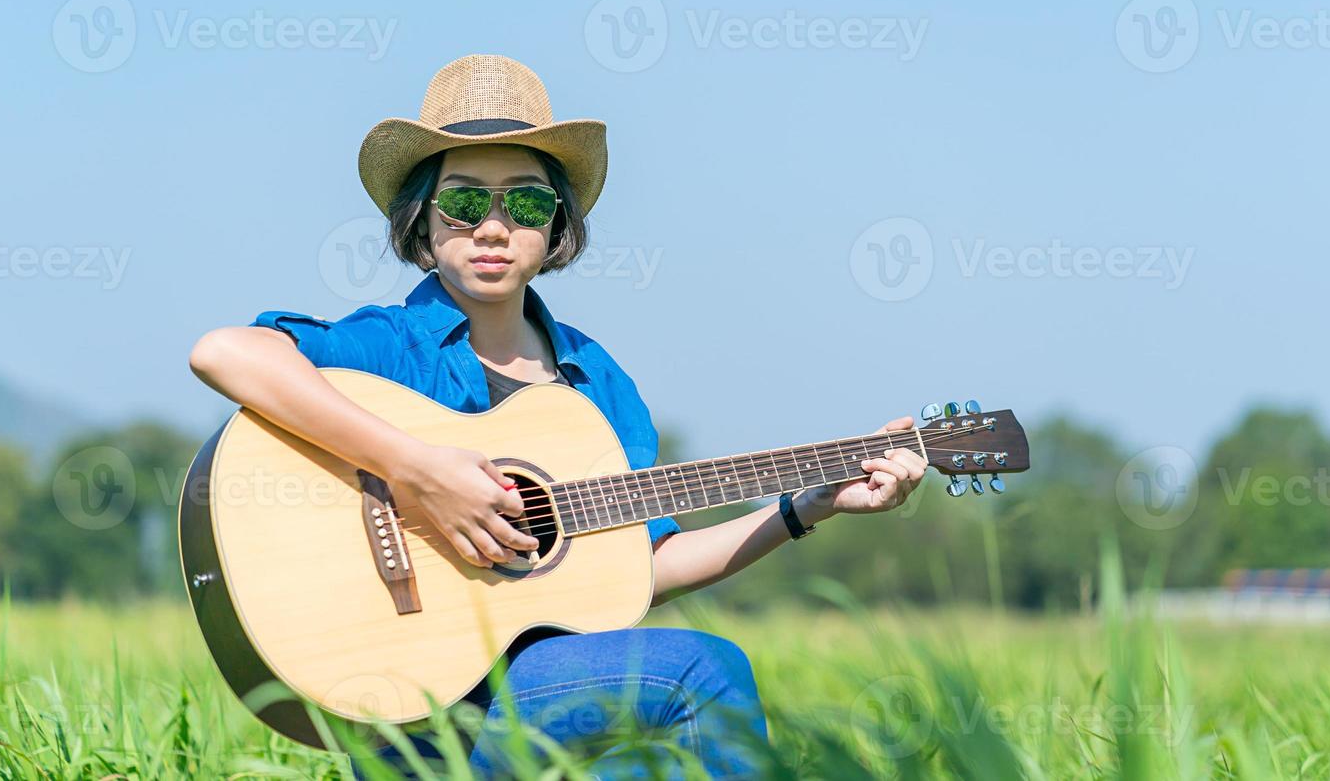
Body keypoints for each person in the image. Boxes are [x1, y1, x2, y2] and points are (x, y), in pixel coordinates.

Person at [188, 54, 930, 778]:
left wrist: (807, 507)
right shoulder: (390, 346)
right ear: (424, 220)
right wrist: (416, 469)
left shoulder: (595, 384)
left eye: (528, 203)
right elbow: (227, 353)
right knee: (703, 667)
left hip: (538, 691)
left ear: (556, 227)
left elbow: (645, 564)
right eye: (465, 200)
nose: (492, 227)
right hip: (411, 703)